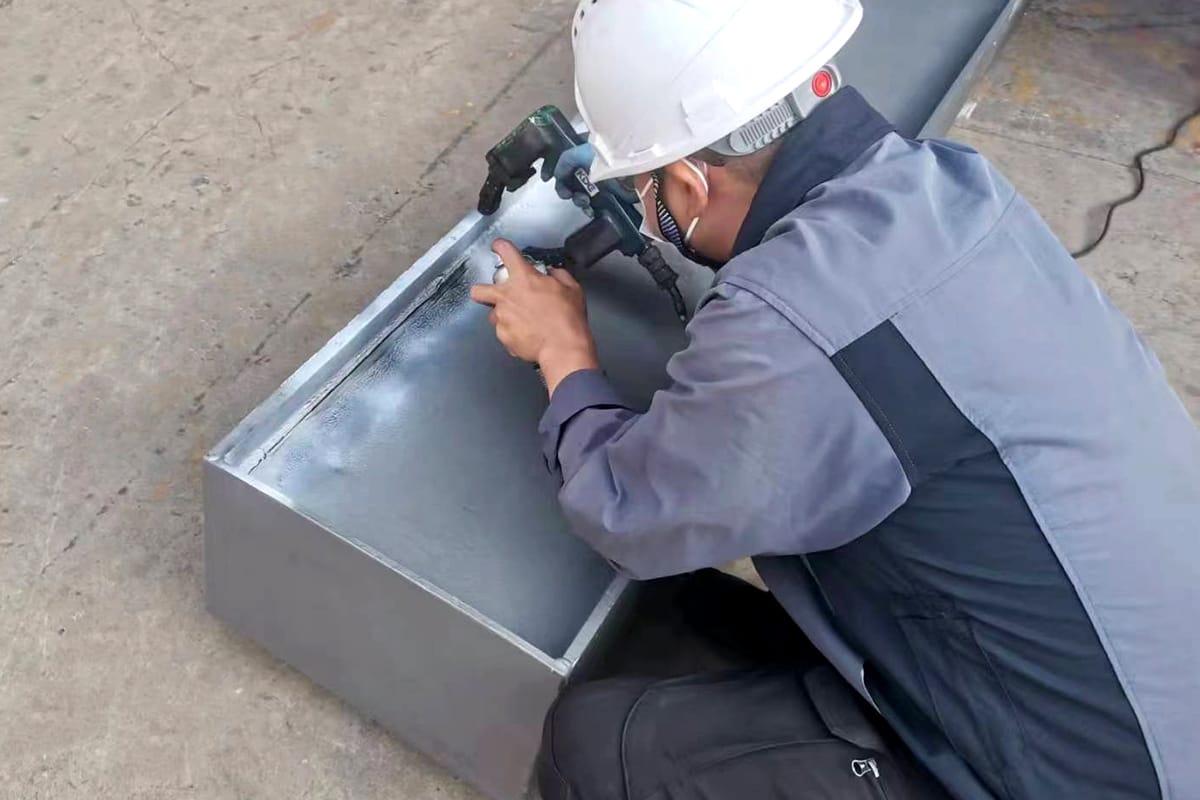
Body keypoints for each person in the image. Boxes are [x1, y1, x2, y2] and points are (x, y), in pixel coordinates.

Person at [469, 1, 1200, 798]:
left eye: (644, 193)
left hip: (1086, 780)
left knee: (596, 746)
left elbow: (630, 513)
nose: (645, 211)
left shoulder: (788, 327)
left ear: (688, 182)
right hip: (1154, 695)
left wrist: (563, 351)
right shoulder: (951, 183)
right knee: (690, 626)